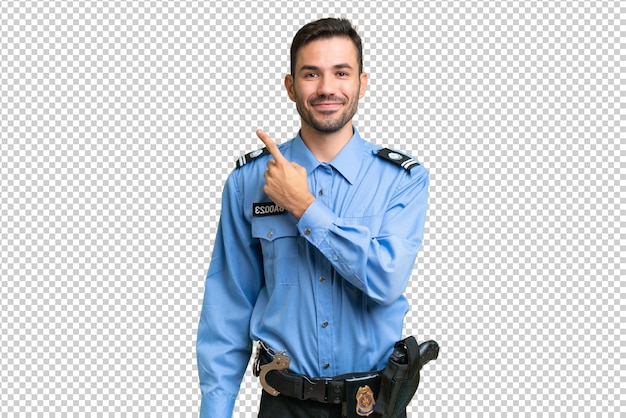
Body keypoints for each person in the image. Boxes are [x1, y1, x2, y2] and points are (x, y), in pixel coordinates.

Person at [197, 17, 429, 418]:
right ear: (290, 86)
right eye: (311, 74)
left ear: (362, 83)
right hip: (283, 405)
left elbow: (385, 279)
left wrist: (304, 207)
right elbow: (227, 307)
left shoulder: (402, 180)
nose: (326, 88)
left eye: (341, 72)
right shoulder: (248, 181)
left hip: (372, 406)